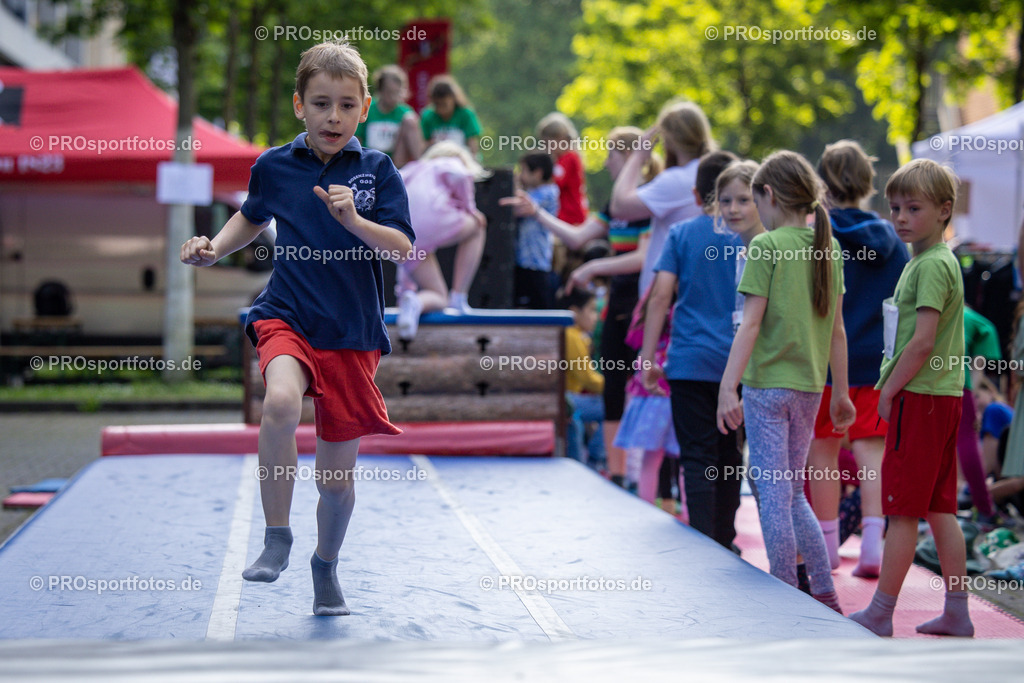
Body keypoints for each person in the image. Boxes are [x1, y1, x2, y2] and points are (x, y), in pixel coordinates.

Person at [180, 41, 415, 616]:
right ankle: (277, 536)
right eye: (320, 104)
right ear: (298, 106)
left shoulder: (377, 171)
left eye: (345, 105)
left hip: (352, 332)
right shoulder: (275, 166)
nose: (332, 117)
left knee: (335, 482)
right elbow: (251, 214)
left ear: (363, 109)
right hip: (287, 313)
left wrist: (353, 219)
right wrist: (214, 247)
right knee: (281, 402)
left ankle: (325, 566)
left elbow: (404, 247)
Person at [716, 150, 854, 613]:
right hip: (810, 387)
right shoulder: (827, 247)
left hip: (767, 386)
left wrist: (727, 386)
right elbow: (837, 329)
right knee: (792, 493)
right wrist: (842, 392)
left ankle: (784, 596)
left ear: (768, 196)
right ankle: (825, 590)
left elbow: (750, 325)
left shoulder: (766, 246)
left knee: (773, 494)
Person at [850, 158, 974, 637]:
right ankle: (958, 610)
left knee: (901, 510)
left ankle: (881, 611)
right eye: (895, 207)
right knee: (940, 508)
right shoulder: (932, 262)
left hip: (920, 397)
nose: (900, 217)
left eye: (913, 208)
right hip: (941, 397)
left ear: (944, 211)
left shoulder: (930, 266)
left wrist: (888, 390)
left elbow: (921, 342)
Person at [500, 126, 661, 488]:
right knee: (614, 389)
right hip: (618, 304)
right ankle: (619, 476)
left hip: (646, 306)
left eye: (611, 155)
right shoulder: (615, 207)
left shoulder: (651, 199)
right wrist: (537, 213)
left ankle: (651, 480)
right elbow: (576, 235)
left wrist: (594, 266)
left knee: (645, 389)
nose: (605, 163)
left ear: (632, 157)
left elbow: (643, 257)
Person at [805, 140, 909, 578]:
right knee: (872, 452)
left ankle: (827, 545)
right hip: (877, 361)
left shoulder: (816, 238)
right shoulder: (893, 241)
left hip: (826, 363)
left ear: (821, 186)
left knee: (823, 451)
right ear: (868, 184)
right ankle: (871, 543)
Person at [641, 151, 754, 548]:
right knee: (728, 454)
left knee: (697, 455)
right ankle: (725, 535)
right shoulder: (750, 236)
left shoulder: (683, 234)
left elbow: (659, 297)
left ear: (696, 192)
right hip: (737, 363)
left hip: (689, 362)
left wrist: (648, 356)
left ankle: (705, 539)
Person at [610, 101, 714, 296]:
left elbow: (619, 206)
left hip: (666, 293)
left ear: (669, 140)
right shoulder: (711, 171)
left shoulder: (677, 180)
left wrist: (638, 156)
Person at [395, 142, 488, 339]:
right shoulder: (449, 162)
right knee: (478, 226)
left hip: (403, 233)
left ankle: (415, 302)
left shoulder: (413, 168)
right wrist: (470, 208)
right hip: (435, 220)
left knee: (438, 297)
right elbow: (462, 175)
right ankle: (459, 297)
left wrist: (403, 292)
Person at [956, 305, 1002, 522]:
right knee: (967, 440)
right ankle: (985, 509)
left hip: (919, 380)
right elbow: (978, 366)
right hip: (956, 383)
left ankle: (927, 509)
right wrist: (972, 392)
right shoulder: (973, 320)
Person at [562, 288, 606, 464]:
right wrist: (614, 389)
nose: (595, 317)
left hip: (571, 398)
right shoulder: (571, 335)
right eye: (592, 310)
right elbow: (586, 377)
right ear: (574, 311)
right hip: (568, 398)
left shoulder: (576, 334)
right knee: (615, 406)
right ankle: (596, 459)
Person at [513, 153, 560, 309]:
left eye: (524, 171)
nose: (520, 175)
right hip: (522, 263)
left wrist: (512, 186)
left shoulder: (549, 192)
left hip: (536, 264)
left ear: (538, 173)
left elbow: (519, 207)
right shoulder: (532, 193)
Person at [355, 64, 423, 168]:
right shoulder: (368, 109)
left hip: (395, 162)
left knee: (410, 120)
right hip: (369, 160)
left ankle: (420, 167)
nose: (393, 97)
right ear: (381, 90)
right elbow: (357, 139)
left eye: (397, 93)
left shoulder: (405, 112)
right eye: (390, 92)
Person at [537, 112, 588, 225]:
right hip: (564, 216)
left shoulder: (569, 158)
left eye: (547, 143)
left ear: (560, 139)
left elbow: (555, 182)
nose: (546, 148)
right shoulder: (561, 159)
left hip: (570, 216)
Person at [420, 75, 482, 156]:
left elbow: (472, 143)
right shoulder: (428, 116)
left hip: (461, 159)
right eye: (437, 105)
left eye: (444, 104)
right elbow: (423, 144)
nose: (440, 110)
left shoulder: (465, 114)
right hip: (436, 159)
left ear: (453, 99)